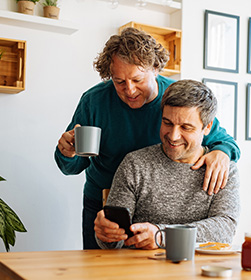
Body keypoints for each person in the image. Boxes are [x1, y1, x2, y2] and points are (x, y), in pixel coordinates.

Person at [54, 27, 240, 249]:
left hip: (158, 208)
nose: (129, 90)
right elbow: (72, 165)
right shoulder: (94, 102)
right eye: (119, 81)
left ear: (155, 69)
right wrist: (67, 152)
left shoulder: (175, 99)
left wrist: (222, 152)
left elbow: (221, 139)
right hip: (104, 203)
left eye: (137, 79)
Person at [94, 80, 240, 249]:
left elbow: (224, 229)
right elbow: (113, 243)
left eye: (186, 127)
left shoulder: (223, 170)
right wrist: (107, 234)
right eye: (168, 123)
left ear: (207, 127)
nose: (173, 136)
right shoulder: (135, 165)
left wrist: (161, 235)